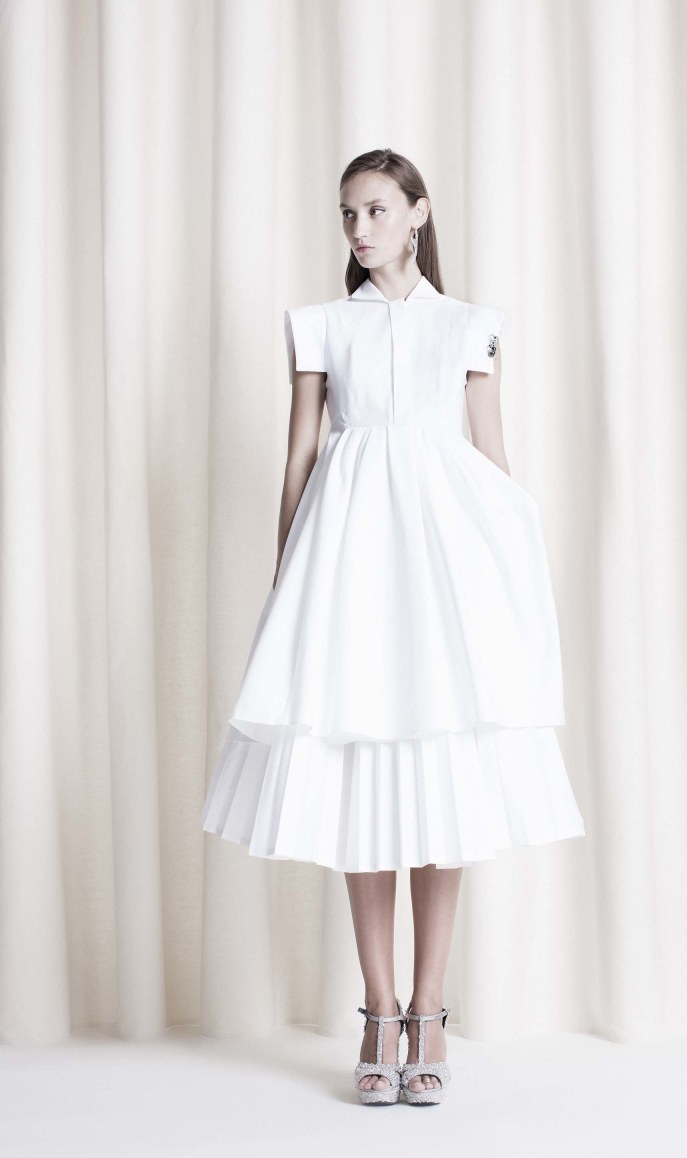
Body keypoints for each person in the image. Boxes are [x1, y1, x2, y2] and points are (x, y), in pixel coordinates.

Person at [202, 148, 586, 1106]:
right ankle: (377, 1010)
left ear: (418, 212)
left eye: (376, 209)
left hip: (444, 572)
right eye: (348, 214)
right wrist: (286, 573)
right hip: (346, 569)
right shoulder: (321, 325)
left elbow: (492, 462)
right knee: (361, 779)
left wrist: (513, 573)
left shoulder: (470, 325)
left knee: (441, 777)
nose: (359, 228)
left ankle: (429, 1007)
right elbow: (301, 456)